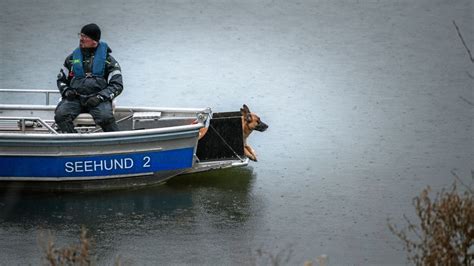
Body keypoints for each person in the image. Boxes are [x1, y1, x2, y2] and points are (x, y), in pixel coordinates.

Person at [54, 23, 123, 133]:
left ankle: (117, 143)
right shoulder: (71, 59)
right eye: (80, 35)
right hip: (75, 99)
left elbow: (117, 85)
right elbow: (61, 80)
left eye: (85, 37)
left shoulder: (109, 61)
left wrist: (100, 97)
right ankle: (74, 142)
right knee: (61, 115)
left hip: (98, 100)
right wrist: (67, 91)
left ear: (94, 41)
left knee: (105, 117)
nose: (81, 39)